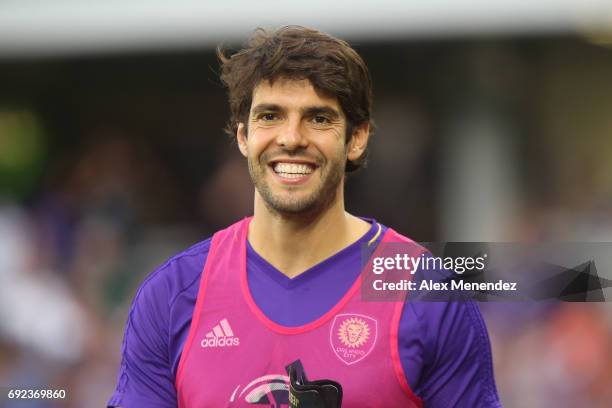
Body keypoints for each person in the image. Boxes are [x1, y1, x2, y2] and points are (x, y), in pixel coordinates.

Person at [108, 26, 502, 407]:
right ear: (243, 137)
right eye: (270, 116)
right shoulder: (174, 296)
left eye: (318, 118)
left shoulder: (425, 290)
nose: (291, 138)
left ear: (356, 138)